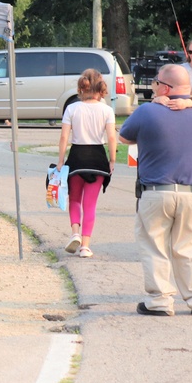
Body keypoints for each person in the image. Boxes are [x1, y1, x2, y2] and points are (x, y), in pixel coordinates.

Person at [118, 64, 192, 316]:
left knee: (155, 246)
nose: (154, 86)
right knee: (190, 247)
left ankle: (160, 301)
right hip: (191, 192)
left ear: (165, 87)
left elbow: (124, 137)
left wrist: (155, 106)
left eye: (156, 82)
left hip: (155, 190)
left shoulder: (148, 112)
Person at [56, 69, 117, 259]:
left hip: (76, 157)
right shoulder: (107, 110)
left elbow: (64, 136)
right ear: (101, 88)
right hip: (97, 158)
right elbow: (112, 137)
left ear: (82, 87)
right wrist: (112, 159)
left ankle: (75, 232)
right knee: (90, 204)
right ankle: (85, 246)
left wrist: (60, 161)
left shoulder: (72, 109)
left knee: (74, 199)